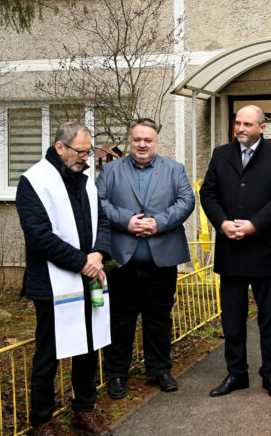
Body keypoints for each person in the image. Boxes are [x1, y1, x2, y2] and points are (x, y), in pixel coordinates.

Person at [16, 122, 113, 436]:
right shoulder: (34, 182)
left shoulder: (85, 181)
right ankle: (42, 421)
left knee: (88, 348)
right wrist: (82, 262)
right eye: (81, 152)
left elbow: (103, 222)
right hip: (51, 284)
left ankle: (84, 411)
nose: (86, 158)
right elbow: (39, 237)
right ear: (60, 147)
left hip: (89, 277)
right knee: (49, 354)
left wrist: (99, 253)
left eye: (88, 151)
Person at [200, 105, 271, 400]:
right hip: (231, 250)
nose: (240, 128)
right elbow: (208, 193)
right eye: (237, 123)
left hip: (264, 250)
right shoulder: (221, 155)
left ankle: (270, 373)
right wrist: (222, 223)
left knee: (269, 318)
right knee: (232, 318)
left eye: (247, 124)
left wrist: (255, 225)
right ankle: (236, 373)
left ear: (262, 128)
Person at [96, 118, 195, 399]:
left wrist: (158, 223)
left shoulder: (175, 169)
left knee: (159, 319)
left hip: (161, 261)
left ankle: (159, 369)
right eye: (137, 139)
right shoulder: (111, 170)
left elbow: (186, 201)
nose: (142, 144)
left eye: (147, 140)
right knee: (120, 320)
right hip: (121, 262)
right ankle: (117, 374)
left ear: (156, 141)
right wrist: (126, 220)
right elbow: (99, 202)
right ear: (130, 140)